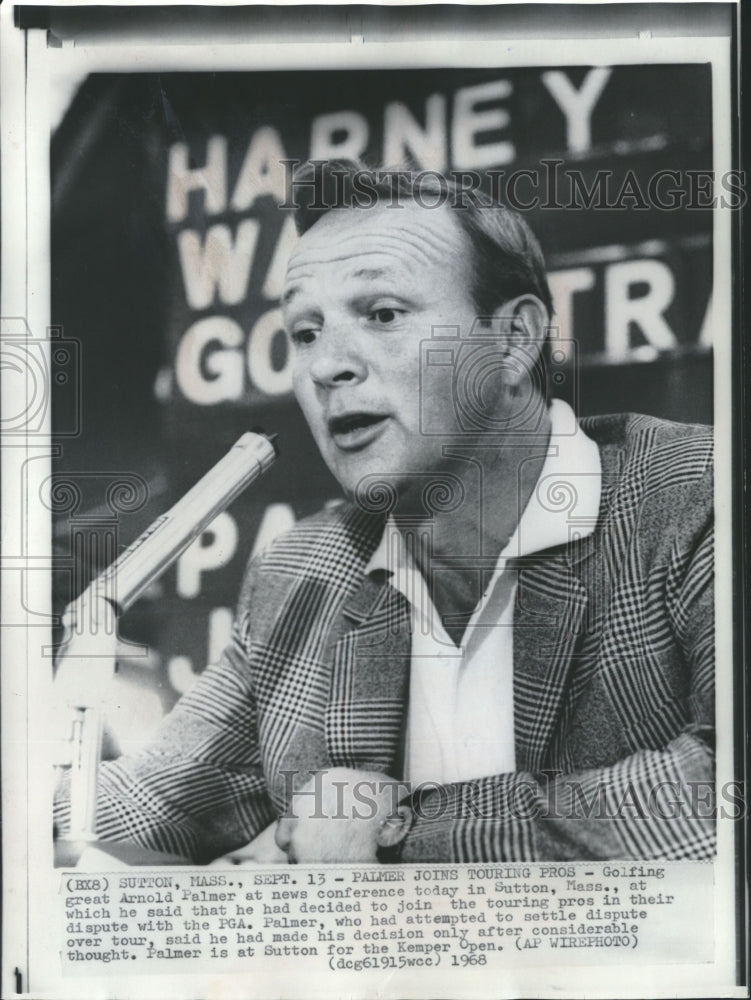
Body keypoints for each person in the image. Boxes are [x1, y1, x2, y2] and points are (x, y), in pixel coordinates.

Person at [55, 160, 714, 864]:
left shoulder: (694, 496)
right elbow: (146, 805)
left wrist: (401, 829)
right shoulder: (303, 573)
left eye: (382, 315)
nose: (326, 366)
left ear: (514, 339)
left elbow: (721, 794)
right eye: (304, 332)